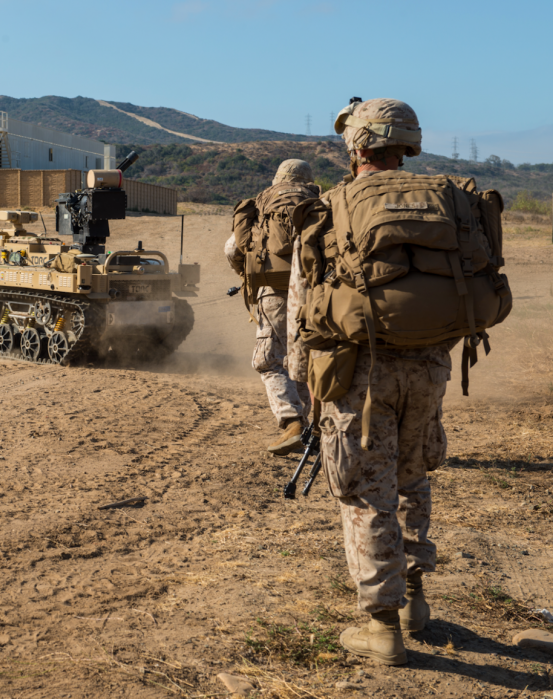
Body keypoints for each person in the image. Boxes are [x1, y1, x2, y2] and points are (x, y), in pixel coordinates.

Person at [288, 98, 510, 665]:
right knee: (412, 474)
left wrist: (305, 387)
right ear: (406, 145)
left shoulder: (330, 207)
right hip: (432, 364)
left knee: (366, 490)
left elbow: (302, 315)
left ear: (357, 146)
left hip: (359, 369)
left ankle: (382, 626)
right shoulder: (451, 200)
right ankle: (415, 599)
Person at [225, 159, 318, 455]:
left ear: (278, 179)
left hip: (274, 292)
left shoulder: (264, 204)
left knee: (269, 360)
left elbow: (233, 248)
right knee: (304, 360)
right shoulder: (320, 204)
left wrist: (248, 272)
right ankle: (312, 429)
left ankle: (292, 421)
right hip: (319, 294)